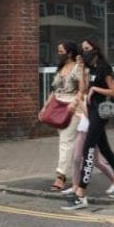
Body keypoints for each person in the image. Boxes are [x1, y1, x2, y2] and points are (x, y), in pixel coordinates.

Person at [62, 37, 114, 210]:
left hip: (100, 113)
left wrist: (95, 89)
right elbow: (83, 89)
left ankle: (81, 194)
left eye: (87, 48)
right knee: (106, 150)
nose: (84, 52)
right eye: (83, 49)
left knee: (88, 150)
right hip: (91, 112)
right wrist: (81, 68)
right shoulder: (91, 68)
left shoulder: (103, 67)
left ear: (95, 49)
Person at [38, 41, 84, 191]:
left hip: (72, 108)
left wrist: (74, 103)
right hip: (57, 106)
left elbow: (82, 90)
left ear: (69, 53)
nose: (58, 54)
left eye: (61, 51)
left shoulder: (79, 68)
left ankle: (60, 176)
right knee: (71, 142)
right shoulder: (61, 68)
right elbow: (54, 90)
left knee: (66, 141)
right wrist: (44, 107)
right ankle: (80, 173)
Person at [62, 95, 114, 197]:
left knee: (96, 161)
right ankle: (75, 186)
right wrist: (75, 113)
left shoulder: (92, 98)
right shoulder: (85, 96)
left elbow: (89, 115)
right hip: (82, 131)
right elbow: (84, 116)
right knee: (76, 159)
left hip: (92, 132)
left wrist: (80, 102)